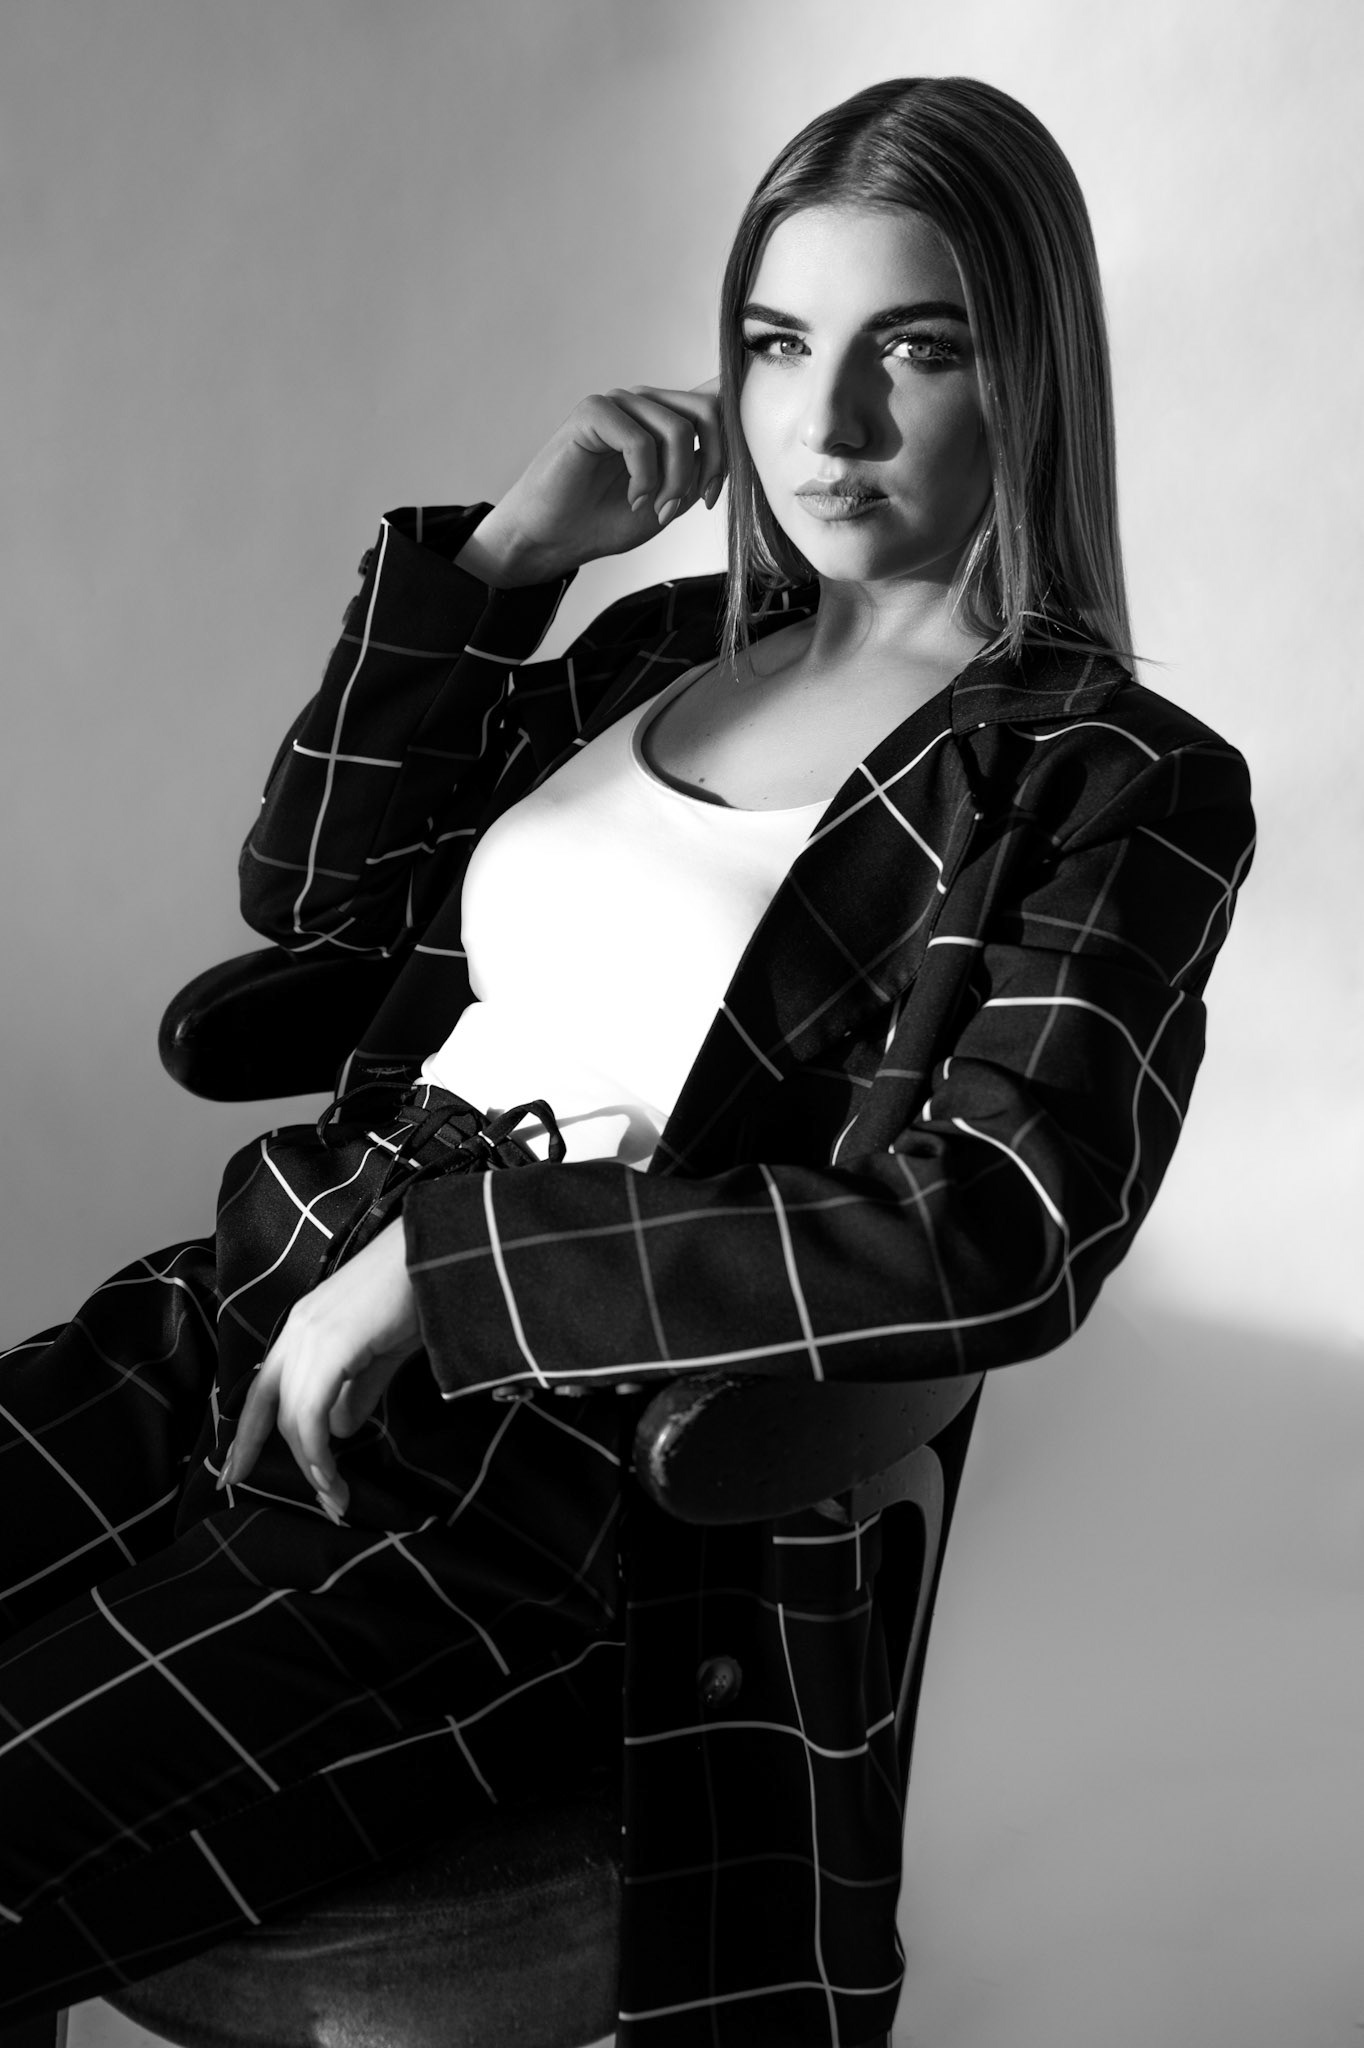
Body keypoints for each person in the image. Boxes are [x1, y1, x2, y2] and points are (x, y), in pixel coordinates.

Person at [0, 75, 1253, 2047]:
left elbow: (996, 1229)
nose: (829, 426)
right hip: (243, 1300)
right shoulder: (664, 643)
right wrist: (505, 567)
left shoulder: (1107, 778)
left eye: (916, 350)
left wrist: (455, 1270)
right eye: (779, 345)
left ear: (1033, 373)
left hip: (533, 1461)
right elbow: (315, 900)